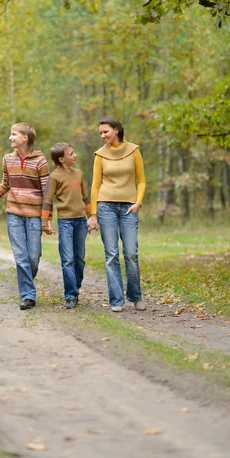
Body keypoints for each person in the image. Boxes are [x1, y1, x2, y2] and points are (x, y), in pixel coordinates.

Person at [87, 117, 146, 312]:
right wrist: (93, 214)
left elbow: (142, 181)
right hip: (106, 207)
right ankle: (116, 300)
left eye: (106, 132)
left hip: (129, 207)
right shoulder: (100, 155)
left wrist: (138, 203)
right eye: (100, 133)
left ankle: (135, 296)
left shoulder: (133, 150)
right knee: (111, 254)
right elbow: (95, 185)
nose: (103, 136)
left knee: (131, 253)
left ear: (117, 130)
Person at [0, 122, 49, 310]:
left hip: (34, 216)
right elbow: (6, 184)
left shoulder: (40, 161)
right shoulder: (7, 159)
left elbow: (47, 191)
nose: (10, 137)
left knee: (33, 257)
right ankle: (28, 295)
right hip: (14, 214)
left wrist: (47, 219)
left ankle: (26, 282)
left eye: (14, 134)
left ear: (25, 138)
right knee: (21, 256)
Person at [42, 143, 91, 309]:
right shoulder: (54, 177)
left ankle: (75, 286)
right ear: (62, 159)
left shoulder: (79, 173)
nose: (75, 155)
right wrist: (45, 222)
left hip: (81, 221)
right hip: (65, 222)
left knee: (79, 259)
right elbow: (47, 201)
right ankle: (71, 295)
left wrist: (92, 217)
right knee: (67, 259)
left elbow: (86, 197)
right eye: (71, 153)